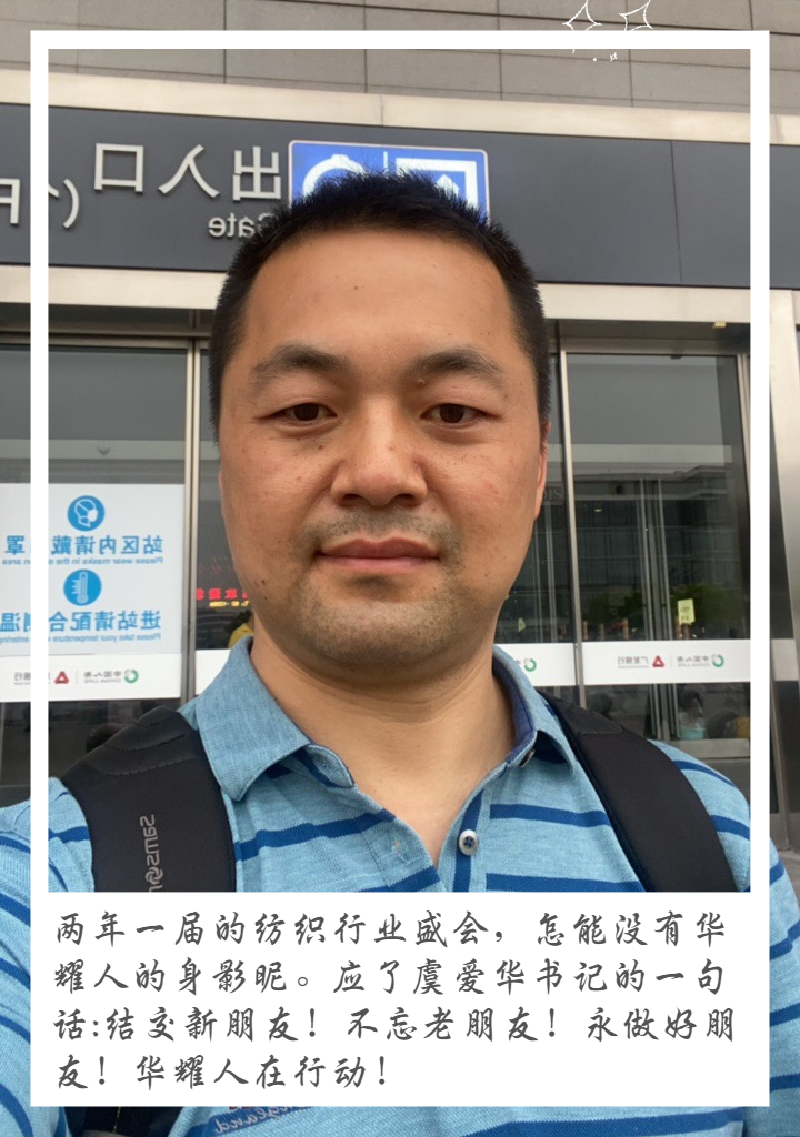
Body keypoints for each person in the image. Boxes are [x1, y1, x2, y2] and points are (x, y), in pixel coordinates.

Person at [1, 173, 797, 1135]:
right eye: (304, 409)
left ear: (539, 466)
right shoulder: (51, 882)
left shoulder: (711, 843)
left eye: (452, 410)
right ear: (225, 459)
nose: (378, 472)